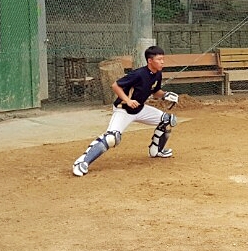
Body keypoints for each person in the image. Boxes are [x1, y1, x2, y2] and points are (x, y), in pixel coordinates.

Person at [72, 45, 180, 177]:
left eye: (163, 59)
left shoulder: (157, 74)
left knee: (168, 120)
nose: (162, 62)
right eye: (159, 59)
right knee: (112, 138)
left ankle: (156, 150)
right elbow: (115, 85)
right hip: (124, 110)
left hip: (139, 108)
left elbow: (155, 91)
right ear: (150, 61)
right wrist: (128, 100)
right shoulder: (138, 74)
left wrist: (165, 94)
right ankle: (82, 162)